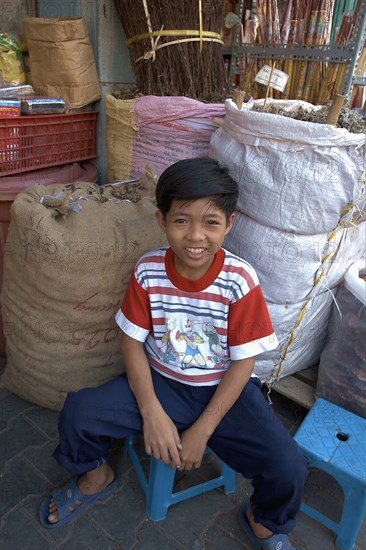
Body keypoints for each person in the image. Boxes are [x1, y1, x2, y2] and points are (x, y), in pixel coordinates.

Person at [39, 157, 308, 550]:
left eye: (211, 222)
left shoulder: (240, 280)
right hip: (162, 383)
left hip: (226, 392)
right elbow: (131, 341)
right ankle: (95, 477)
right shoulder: (149, 271)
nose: (196, 235)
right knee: (79, 412)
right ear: (161, 220)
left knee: (289, 468)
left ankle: (263, 521)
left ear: (229, 225)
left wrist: (201, 431)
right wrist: (152, 413)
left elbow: (243, 361)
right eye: (182, 220)